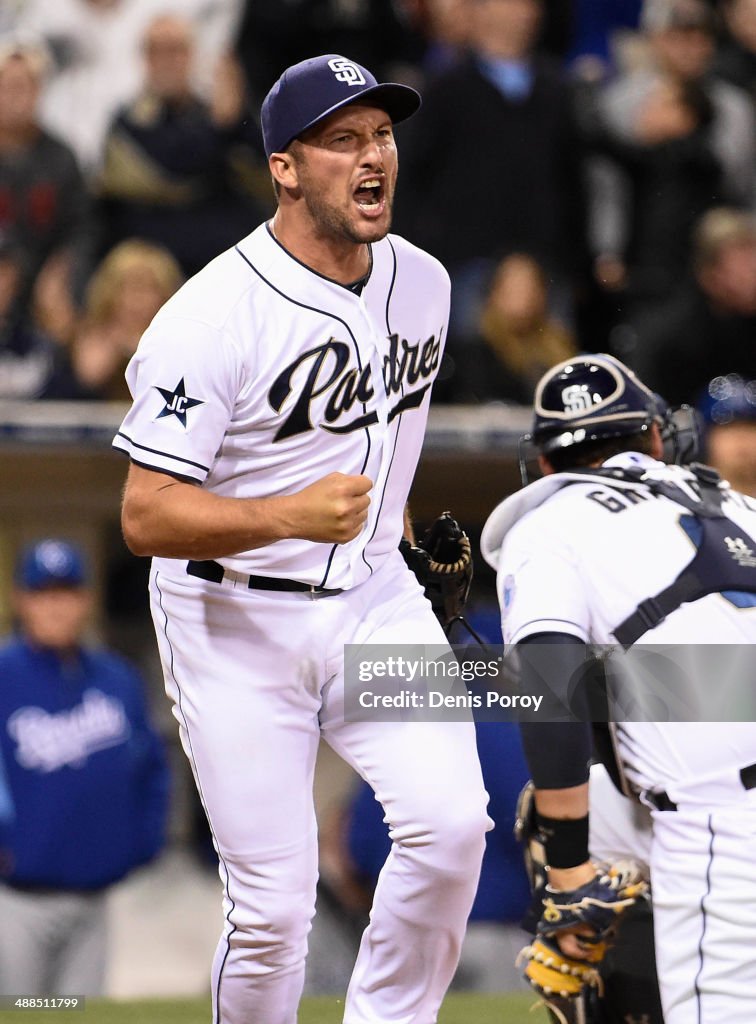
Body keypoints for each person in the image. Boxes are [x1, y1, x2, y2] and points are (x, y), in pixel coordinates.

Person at [113, 53, 491, 1024]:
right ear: (285, 166)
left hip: (371, 595)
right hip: (232, 615)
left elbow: (383, 445)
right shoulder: (208, 316)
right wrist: (283, 516)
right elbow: (144, 512)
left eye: (382, 135)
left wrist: (399, 552)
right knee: (275, 912)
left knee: (452, 829)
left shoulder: (425, 284)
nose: (374, 157)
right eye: (343, 140)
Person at [481, 353, 756, 1024]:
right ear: (657, 439)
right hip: (724, 779)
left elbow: (553, 686)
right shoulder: (736, 505)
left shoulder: (549, 522)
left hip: (726, 816)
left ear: (545, 464)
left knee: (562, 823)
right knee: (607, 801)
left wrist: (570, 869)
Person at [0, 539, 169, 996]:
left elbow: (152, 768)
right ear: (21, 599)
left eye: (67, 593)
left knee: (76, 1014)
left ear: (86, 601)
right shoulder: (3, 674)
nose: (56, 607)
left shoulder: (116, 677)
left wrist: (140, 843)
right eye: (44, 593)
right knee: (21, 1014)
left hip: (96, 897)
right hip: (15, 901)